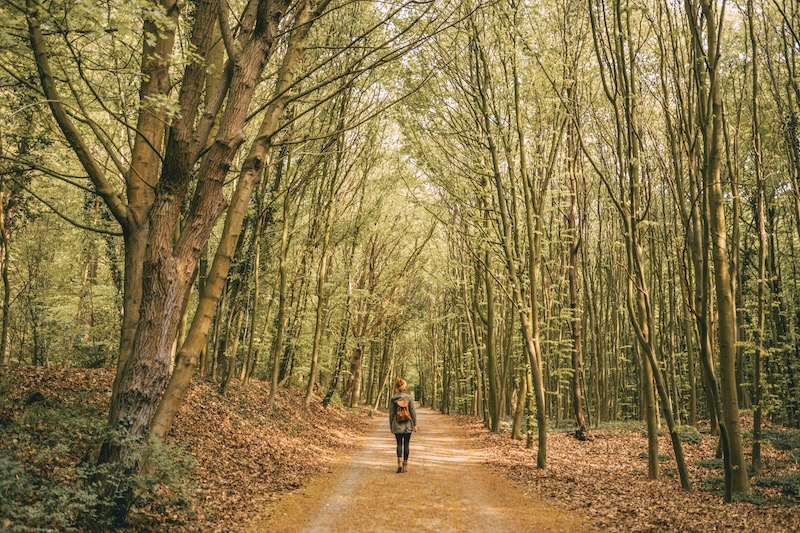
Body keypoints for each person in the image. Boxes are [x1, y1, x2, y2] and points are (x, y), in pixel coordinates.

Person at [389, 377, 418, 473]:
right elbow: (412, 412)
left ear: (397, 387)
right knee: (406, 444)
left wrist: (391, 425)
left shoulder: (393, 398)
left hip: (397, 424)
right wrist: (415, 424)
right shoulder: (409, 398)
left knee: (399, 444)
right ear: (405, 387)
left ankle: (399, 463)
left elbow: (391, 413)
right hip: (407, 425)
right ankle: (405, 465)